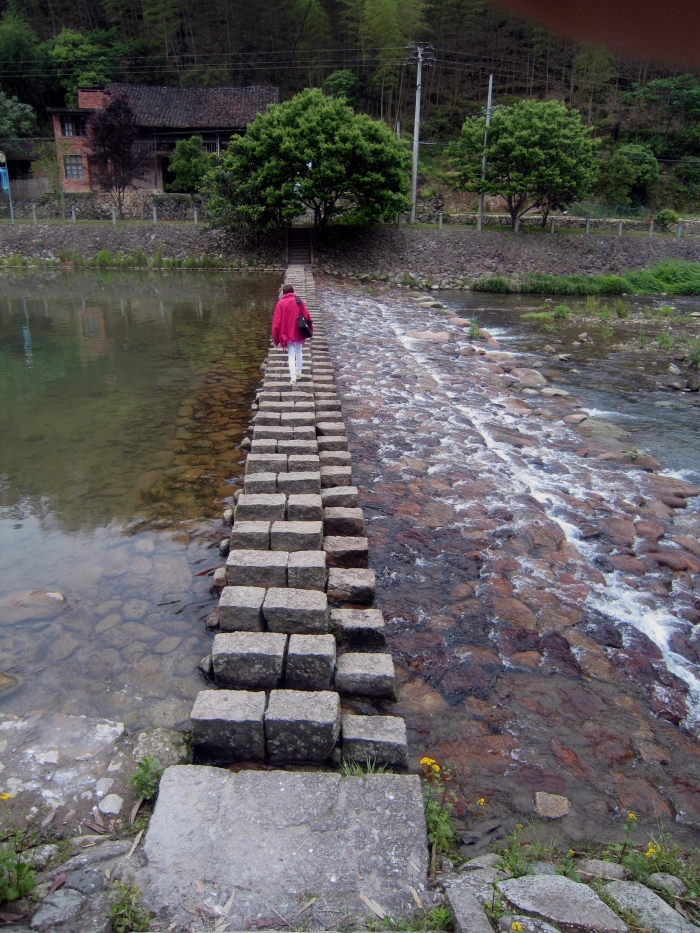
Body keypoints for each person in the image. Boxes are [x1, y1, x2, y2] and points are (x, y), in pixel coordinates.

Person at [271, 284, 313, 384]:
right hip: (299, 330)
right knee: (299, 352)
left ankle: (293, 377)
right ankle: (299, 372)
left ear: (284, 292)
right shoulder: (298, 301)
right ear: (293, 292)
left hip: (287, 332)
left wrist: (275, 337)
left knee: (291, 354)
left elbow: (276, 322)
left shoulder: (280, 303)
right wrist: (310, 327)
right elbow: (306, 315)